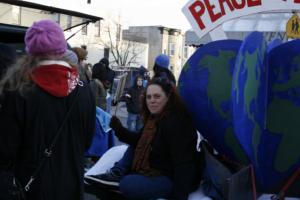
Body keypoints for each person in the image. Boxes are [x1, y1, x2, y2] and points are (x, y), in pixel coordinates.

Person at [0, 20, 95, 200]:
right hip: (72, 186)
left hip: (31, 188)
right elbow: (87, 142)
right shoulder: (84, 89)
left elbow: (5, 150)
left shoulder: (19, 88)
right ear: (62, 49)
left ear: (30, 51)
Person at [86, 77, 198, 200]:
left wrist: (179, 196)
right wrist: (119, 129)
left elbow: (184, 163)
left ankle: (118, 179)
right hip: (149, 169)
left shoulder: (177, 122)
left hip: (166, 177)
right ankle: (116, 173)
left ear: (168, 98)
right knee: (137, 143)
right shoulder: (154, 118)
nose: (152, 101)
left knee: (127, 184)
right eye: (149, 97)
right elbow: (136, 139)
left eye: (157, 96)